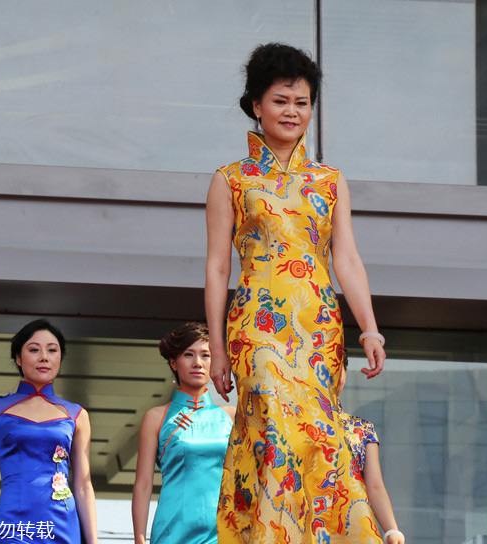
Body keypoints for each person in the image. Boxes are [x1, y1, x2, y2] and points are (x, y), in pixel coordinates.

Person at [205, 42, 387, 542]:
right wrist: (218, 348)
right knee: (275, 427)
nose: (292, 111)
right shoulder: (231, 180)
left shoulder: (329, 182)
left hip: (318, 331)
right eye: (281, 100)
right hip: (256, 331)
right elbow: (219, 268)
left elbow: (346, 260)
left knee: (322, 440)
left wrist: (370, 330)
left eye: (302, 102)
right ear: (256, 105)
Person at [0, 319, 98, 544]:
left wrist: (93, 542)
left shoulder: (77, 415)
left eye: (52, 350)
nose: (44, 357)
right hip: (12, 526)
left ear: (60, 359)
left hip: (63, 525)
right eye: (34, 350)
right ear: (18, 359)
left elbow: (82, 485)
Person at [132, 323, 235, 544]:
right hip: (172, 531)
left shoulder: (231, 417)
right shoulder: (156, 417)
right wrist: (139, 538)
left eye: (206, 355)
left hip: (224, 532)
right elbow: (143, 484)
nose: (198, 363)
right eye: (189, 354)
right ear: (173, 362)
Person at [337, 354, 404, 544]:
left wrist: (392, 530)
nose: (334, 377)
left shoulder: (363, 429)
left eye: (338, 368)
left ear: (345, 373)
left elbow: (374, 485)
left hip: (353, 530)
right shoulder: (293, 423)